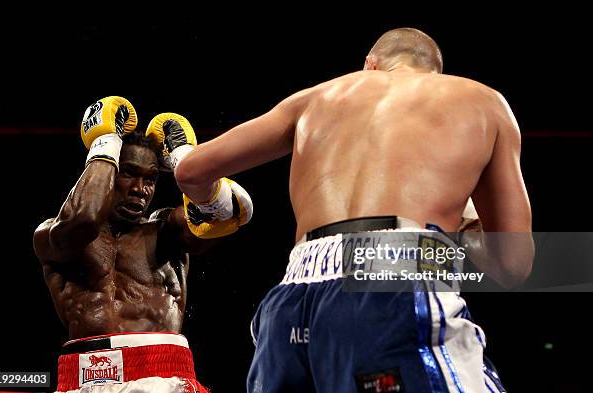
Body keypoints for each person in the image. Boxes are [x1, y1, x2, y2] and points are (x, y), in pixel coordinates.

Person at [170, 28, 534, 392]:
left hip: (291, 300)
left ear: (369, 66)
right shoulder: (482, 101)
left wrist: (211, 205)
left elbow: (190, 170)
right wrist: (465, 227)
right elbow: (514, 265)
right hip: (395, 282)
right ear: (435, 74)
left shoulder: (312, 99)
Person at [33, 97, 253, 393]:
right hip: (84, 377)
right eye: (129, 173)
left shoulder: (165, 231)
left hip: (164, 373)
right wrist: (106, 141)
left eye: (150, 179)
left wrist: (185, 159)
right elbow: (85, 217)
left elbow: (231, 210)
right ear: (109, 169)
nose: (141, 189)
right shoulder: (54, 235)